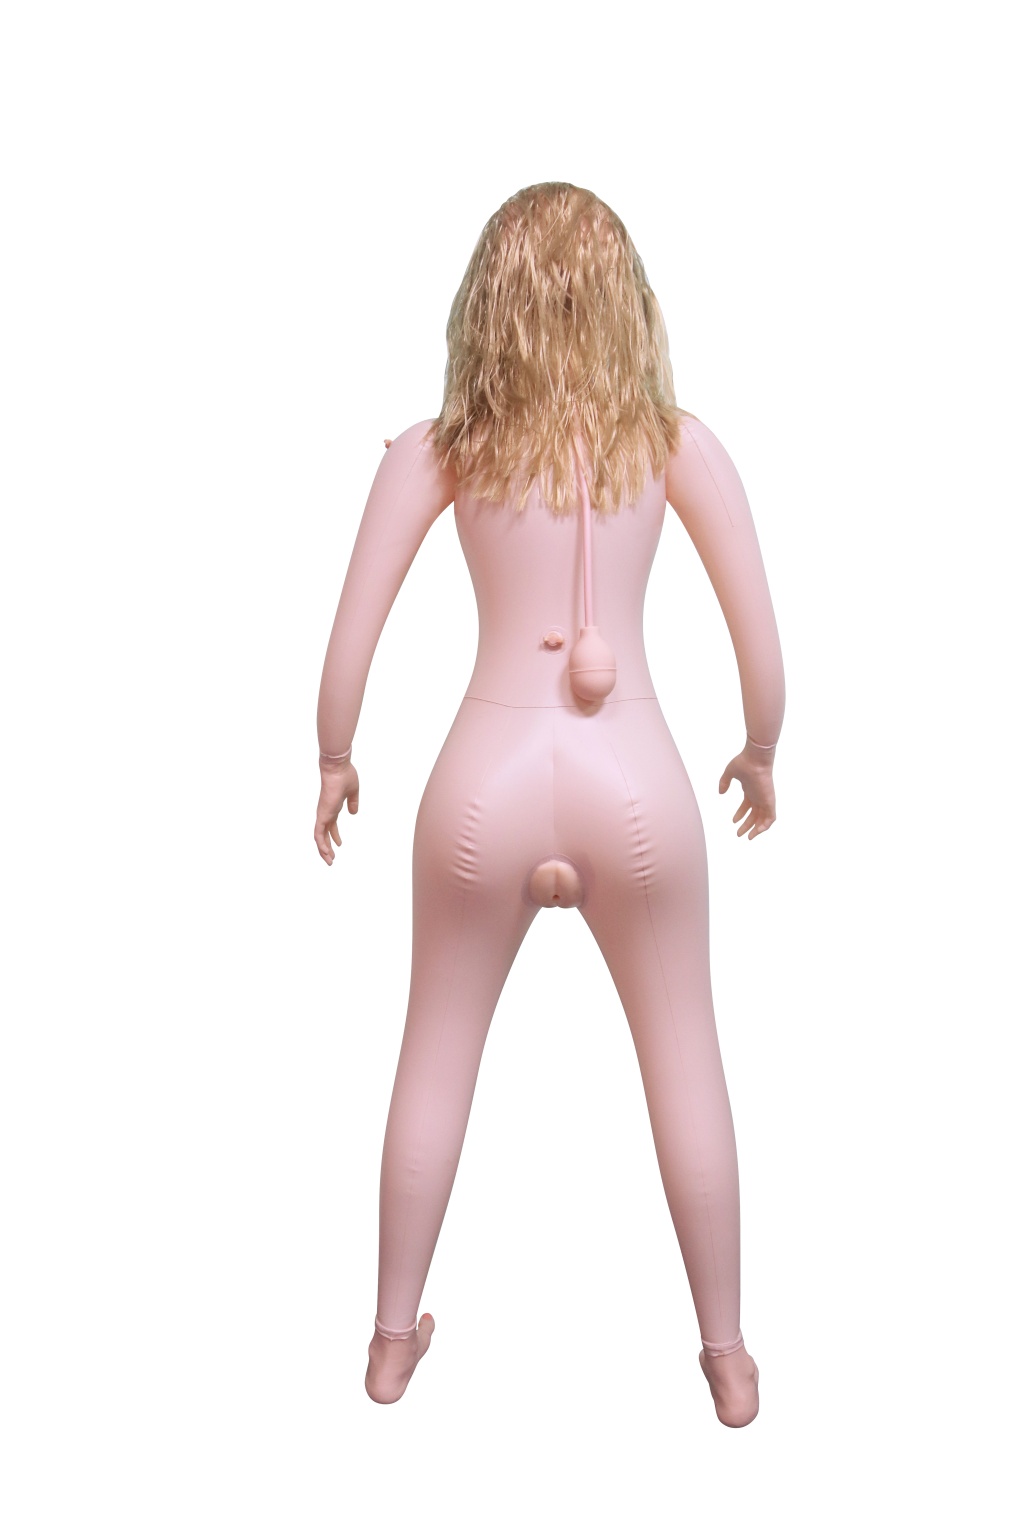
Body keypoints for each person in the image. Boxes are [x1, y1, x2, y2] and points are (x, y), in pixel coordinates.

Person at [314, 182, 785, 1426]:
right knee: (685, 1056)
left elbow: (350, 641)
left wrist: (334, 756)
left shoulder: (437, 449)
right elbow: (761, 645)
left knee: (434, 1049)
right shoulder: (675, 444)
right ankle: (728, 1358)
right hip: (636, 780)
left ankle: (389, 1342)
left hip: (484, 780)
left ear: (488, 299)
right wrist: (759, 750)